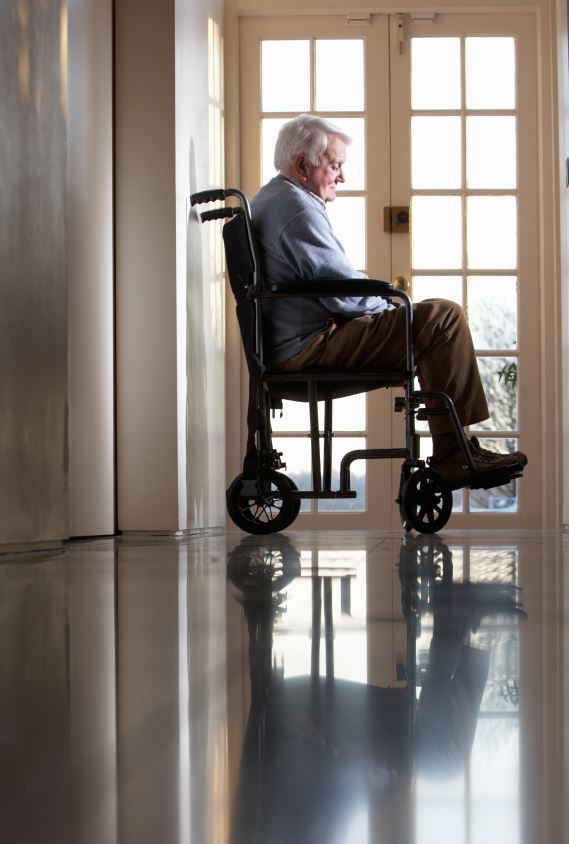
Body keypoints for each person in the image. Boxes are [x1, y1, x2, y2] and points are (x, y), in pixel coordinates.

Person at [250, 114, 527, 488]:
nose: (342, 176)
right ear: (302, 165)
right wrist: (394, 309)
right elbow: (343, 291)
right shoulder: (295, 207)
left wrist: (393, 315)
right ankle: (454, 453)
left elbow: (333, 284)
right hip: (307, 348)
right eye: (335, 165)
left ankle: (456, 450)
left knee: (427, 323)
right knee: (443, 317)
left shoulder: (273, 197)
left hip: (293, 343)